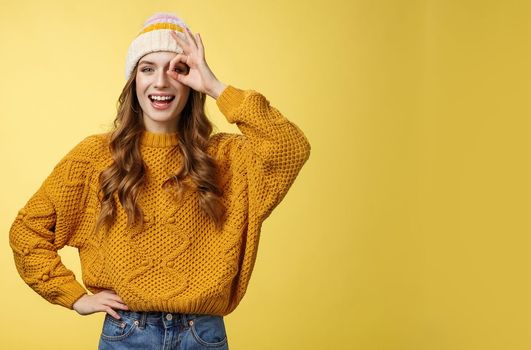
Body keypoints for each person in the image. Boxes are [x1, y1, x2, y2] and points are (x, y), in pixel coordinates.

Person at [8, 12, 311, 349]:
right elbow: (27, 230)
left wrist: (215, 86)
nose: (161, 82)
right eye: (147, 68)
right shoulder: (95, 156)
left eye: (177, 70)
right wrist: (74, 297)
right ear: (133, 80)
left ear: (191, 82)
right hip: (127, 333)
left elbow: (289, 147)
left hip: (202, 335)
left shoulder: (227, 157)